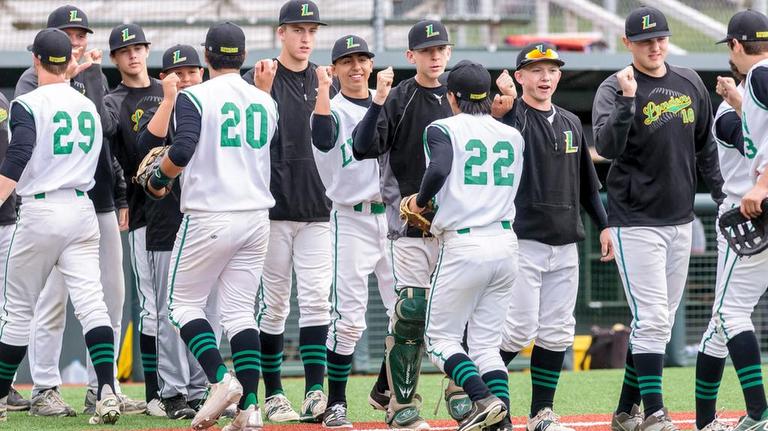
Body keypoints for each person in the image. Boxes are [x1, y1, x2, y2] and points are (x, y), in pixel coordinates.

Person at [591, 6, 724, 431]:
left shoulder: (688, 82)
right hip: (635, 221)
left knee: (658, 324)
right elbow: (607, 146)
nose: (655, 46)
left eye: (660, 38)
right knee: (652, 320)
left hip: (681, 220)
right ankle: (654, 414)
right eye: (645, 40)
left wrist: (722, 198)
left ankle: (624, 412)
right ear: (627, 43)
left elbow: (706, 148)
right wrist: (630, 101)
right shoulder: (613, 88)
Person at [146, 21, 279, 431]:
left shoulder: (196, 96)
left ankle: (221, 380)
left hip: (210, 214)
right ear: (242, 56)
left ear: (206, 57)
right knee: (240, 313)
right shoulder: (265, 101)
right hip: (256, 217)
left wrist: (158, 177)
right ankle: (251, 409)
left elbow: (182, 150)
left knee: (181, 305)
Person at [13, 4, 141, 417]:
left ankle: (102, 387)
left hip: (93, 200)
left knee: (108, 296)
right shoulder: (32, 80)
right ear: (52, 44)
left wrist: (120, 196)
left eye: (82, 33)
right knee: (51, 301)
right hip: (55, 202)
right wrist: (76, 76)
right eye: (69, 34)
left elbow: (108, 131)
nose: (77, 40)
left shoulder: (90, 75)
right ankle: (45, 387)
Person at [352, 19, 464, 431]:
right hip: (410, 226)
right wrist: (378, 100)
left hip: (455, 228)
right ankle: (402, 404)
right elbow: (362, 147)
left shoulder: (460, 98)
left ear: (448, 53)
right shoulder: (399, 97)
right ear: (410, 56)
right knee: (412, 311)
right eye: (426, 50)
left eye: (441, 50)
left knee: (457, 314)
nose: (435, 56)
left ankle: (457, 391)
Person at [494, 42, 612, 431]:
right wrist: (508, 105)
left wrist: (605, 225)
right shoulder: (512, 117)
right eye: (536, 70)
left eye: (552, 70)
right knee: (517, 329)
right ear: (519, 76)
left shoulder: (570, 122)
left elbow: (588, 187)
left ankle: (541, 413)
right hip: (523, 238)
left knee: (558, 330)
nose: (546, 77)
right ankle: (476, 389)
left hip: (565, 241)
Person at [415, 60, 524, 431]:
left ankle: (482, 398)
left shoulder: (442, 127)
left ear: (451, 96)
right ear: (489, 96)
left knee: (439, 340)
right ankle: (502, 423)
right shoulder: (512, 135)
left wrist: (420, 201)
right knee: (486, 348)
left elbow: (440, 167)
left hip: (465, 242)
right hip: (506, 241)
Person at [242, 0, 333, 422]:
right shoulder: (259, 76)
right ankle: (275, 392)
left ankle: (316, 389)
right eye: (297, 29)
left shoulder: (323, 79)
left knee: (316, 301)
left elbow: (333, 141)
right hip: (273, 209)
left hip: (317, 208)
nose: (305, 37)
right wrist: (258, 94)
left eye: (311, 30)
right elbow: (243, 140)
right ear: (281, 32)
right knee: (274, 306)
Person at [310, 34, 397, 429]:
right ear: (336, 68)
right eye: (347, 61)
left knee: (408, 313)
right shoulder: (330, 109)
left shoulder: (388, 105)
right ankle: (336, 403)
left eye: (362, 59)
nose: (357, 67)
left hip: (394, 219)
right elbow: (322, 138)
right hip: (351, 217)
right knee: (349, 320)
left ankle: (386, 389)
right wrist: (323, 91)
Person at [698, 10, 768, 431]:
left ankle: (759, 411)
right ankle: (709, 421)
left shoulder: (757, 76)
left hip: (751, 209)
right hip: (750, 207)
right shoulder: (752, 90)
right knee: (719, 322)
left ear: (735, 47)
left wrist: (762, 185)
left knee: (729, 312)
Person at [136, 44, 210, 420]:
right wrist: (167, 100)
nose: (185, 78)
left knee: (204, 312)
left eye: (192, 71)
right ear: (163, 78)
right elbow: (143, 148)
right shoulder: (158, 111)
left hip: (204, 225)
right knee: (168, 313)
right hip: (165, 225)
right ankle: (173, 393)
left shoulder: (211, 109)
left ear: (204, 72)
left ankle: (200, 390)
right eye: (176, 73)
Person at [103, 22, 165, 415]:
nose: (133, 54)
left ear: (147, 49)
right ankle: (156, 394)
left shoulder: (168, 91)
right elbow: (110, 160)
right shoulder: (113, 101)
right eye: (124, 50)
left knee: (188, 306)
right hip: (143, 212)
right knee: (152, 309)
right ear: (114, 58)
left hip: (185, 213)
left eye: (138, 47)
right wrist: (122, 197)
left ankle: (188, 388)